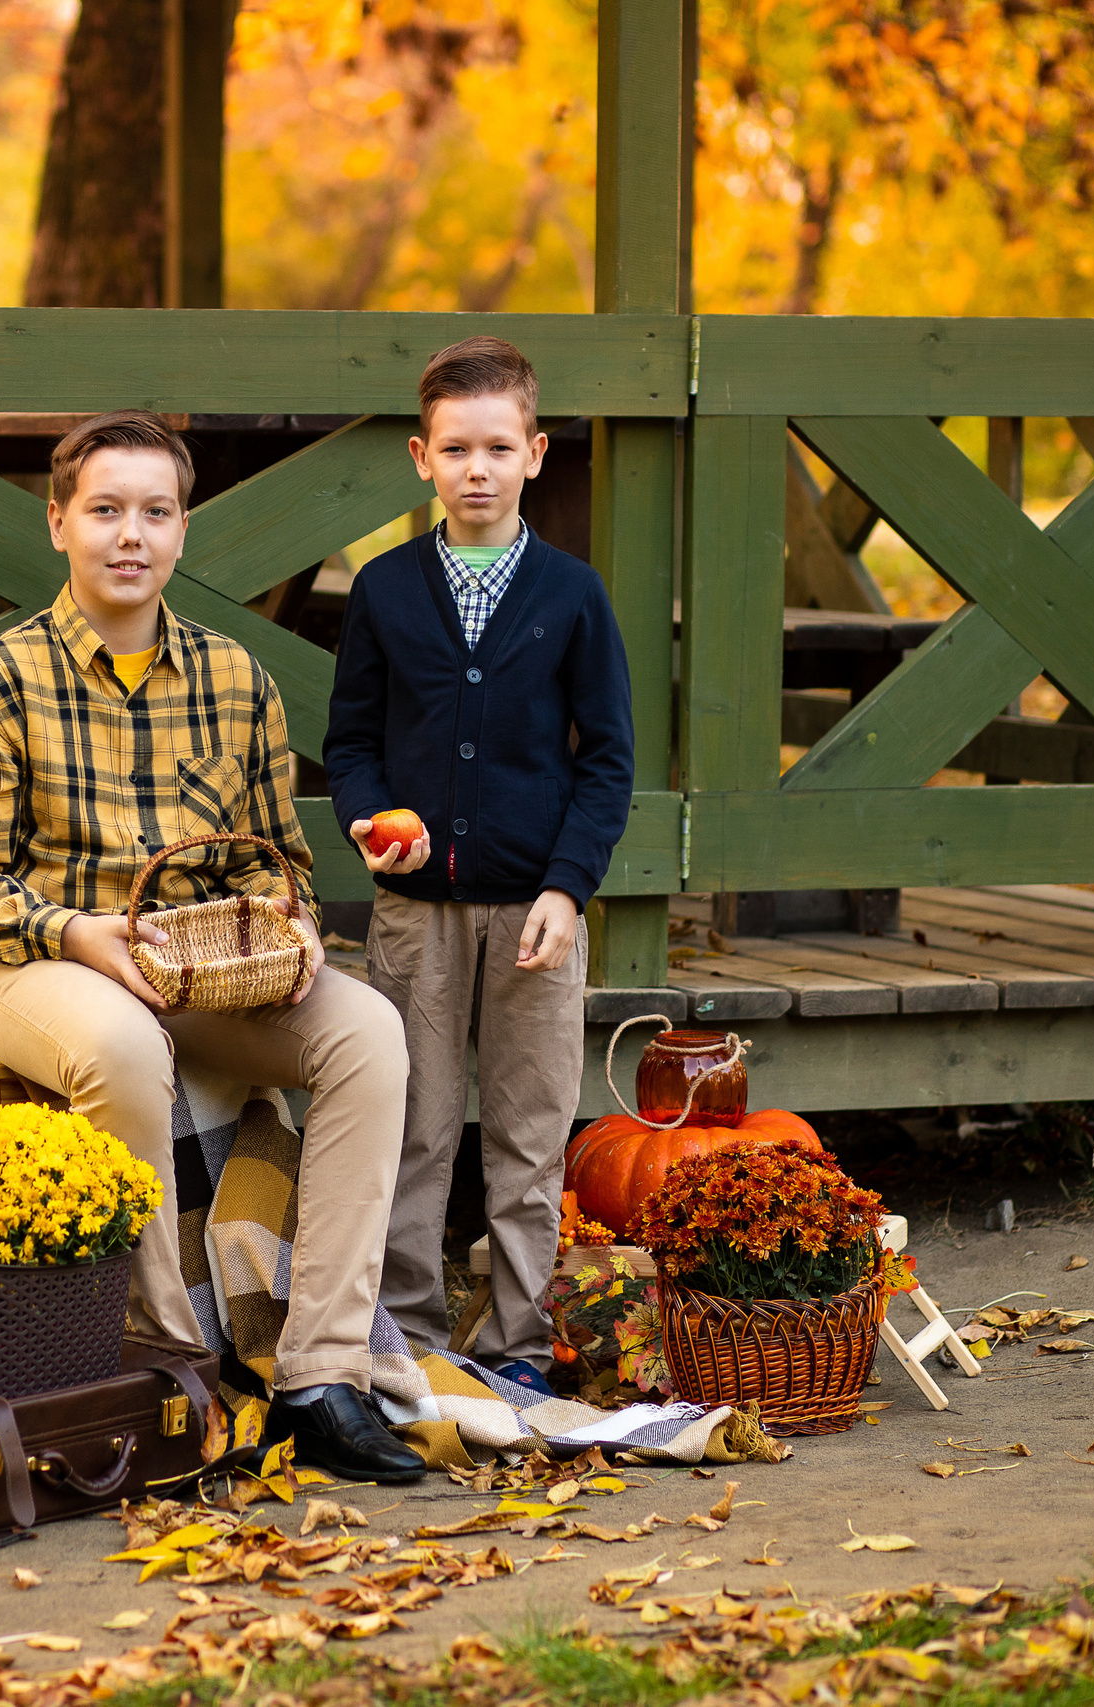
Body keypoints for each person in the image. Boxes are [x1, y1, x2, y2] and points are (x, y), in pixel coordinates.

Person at [0, 409, 424, 1482]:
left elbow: (271, 859)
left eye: (154, 511)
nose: (128, 534)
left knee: (368, 1034)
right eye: (104, 510)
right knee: (126, 1049)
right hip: (33, 966)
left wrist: (288, 921)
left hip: (201, 966)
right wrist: (72, 934)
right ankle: (170, 1369)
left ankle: (323, 1373)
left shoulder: (234, 680)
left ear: (183, 531)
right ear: (59, 525)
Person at [323, 336, 636, 1401]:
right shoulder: (383, 589)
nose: (476, 468)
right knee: (409, 1124)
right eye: (455, 448)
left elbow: (609, 761)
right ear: (420, 456)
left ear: (535, 454)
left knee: (527, 1131)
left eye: (498, 447)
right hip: (414, 914)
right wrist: (368, 820)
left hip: (537, 912)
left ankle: (513, 1342)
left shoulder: (572, 595)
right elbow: (353, 742)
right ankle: (405, 1335)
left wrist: (566, 885)